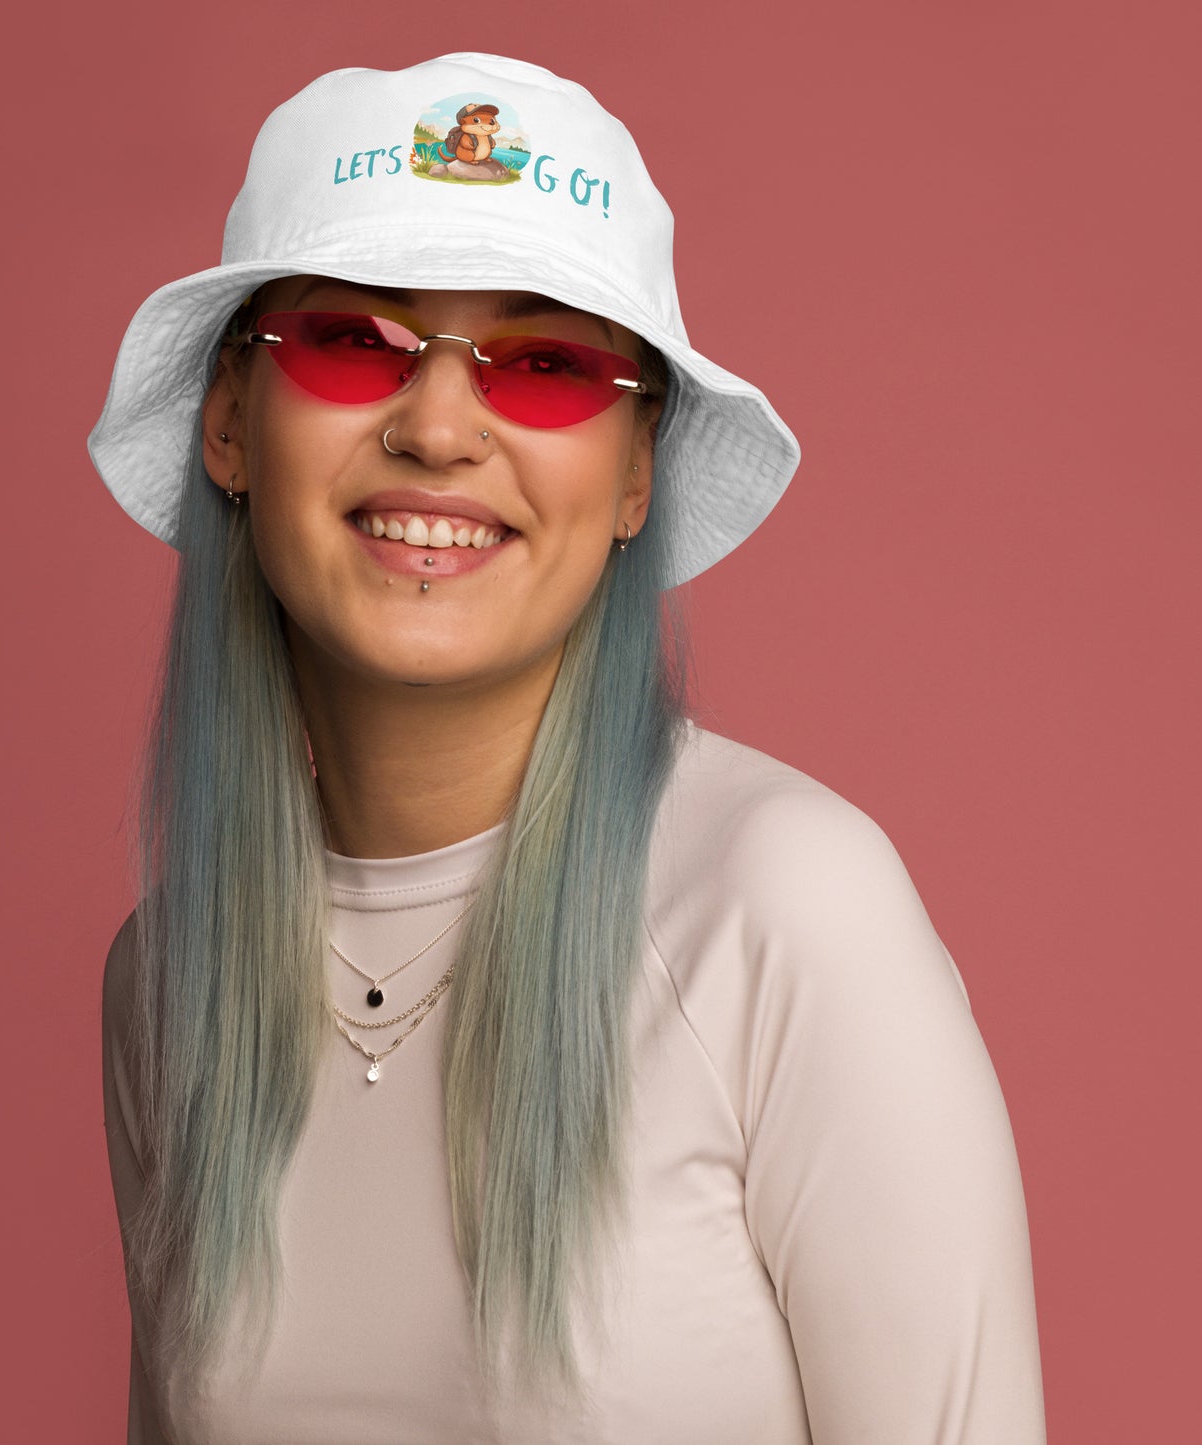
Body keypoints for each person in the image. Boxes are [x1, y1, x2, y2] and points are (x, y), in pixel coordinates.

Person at [91, 52, 1046, 1444]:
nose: (432, 427)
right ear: (231, 423)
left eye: (544, 366)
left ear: (634, 474)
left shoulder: (780, 910)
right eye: (352, 341)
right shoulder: (171, 976)